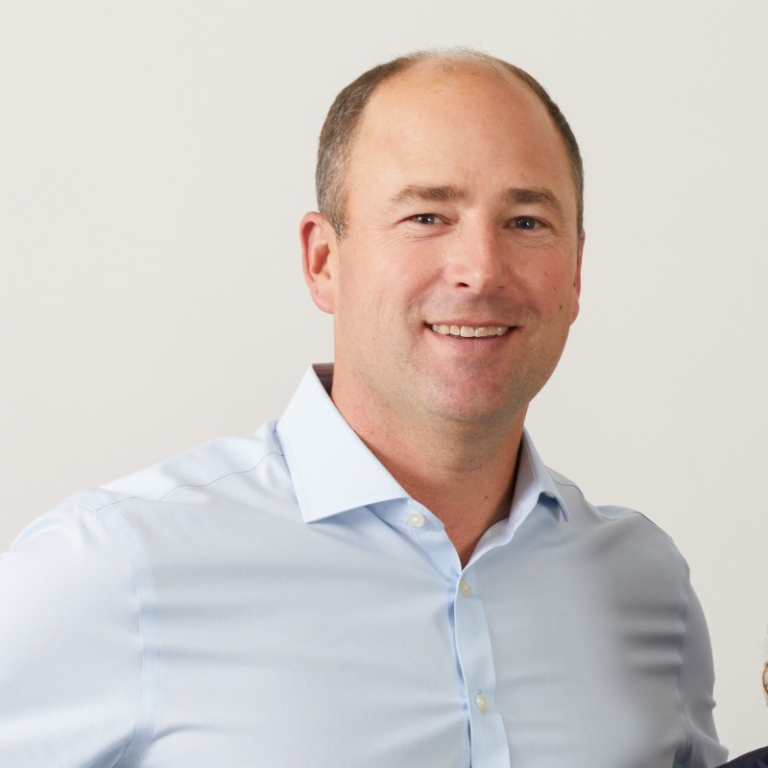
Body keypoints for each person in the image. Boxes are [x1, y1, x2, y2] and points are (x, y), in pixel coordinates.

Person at [0, 49, 727, 767]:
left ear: (575, 272)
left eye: (527, 222)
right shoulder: (114, 569)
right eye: (426, 216)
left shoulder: (646, 586)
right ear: (323, 261)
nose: (480, 270)